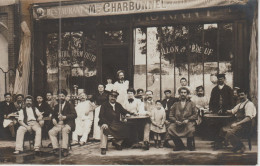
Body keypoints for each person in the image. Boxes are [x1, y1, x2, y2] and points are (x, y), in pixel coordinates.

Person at [213, 88, 256, 153]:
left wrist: (237, 124)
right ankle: (221, 144)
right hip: (239, 122)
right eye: (239, 95)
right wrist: (224, 110)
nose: (240, 97)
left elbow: (248, 118)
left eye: (242, 95)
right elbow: (232, 111)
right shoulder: (240, 104)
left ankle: (240, 146)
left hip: (246, 125)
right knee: (223, 129)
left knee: (230, 132)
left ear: (246, 95)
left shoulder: (249, 104)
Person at [99, 91, 133, 155]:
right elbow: (101, 116)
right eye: (111, 96)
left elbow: (124, 111)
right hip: (106, 123)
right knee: (104, 129)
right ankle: (103, 147)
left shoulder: (118, 105)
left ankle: (118, 143)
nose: (113, 98)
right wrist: (104, 123)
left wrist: (129, 113)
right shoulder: (104, 105)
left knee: (128, 127)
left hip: (116, 123)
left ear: (116, 98)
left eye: (115, 97)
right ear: (108, 97)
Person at [48, 89, 77, 157]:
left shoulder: (70, 105)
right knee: (51, 132)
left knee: (65, 130)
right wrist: (53, 119)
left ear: (65, 97)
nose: (61, 98)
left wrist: (65, 117)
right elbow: (53, 115)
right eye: (59, 96)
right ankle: (56, 148)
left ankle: (65, 149)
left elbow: (75, 115)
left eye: (62, 96)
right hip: (59, 124)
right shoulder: (56, 106)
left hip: (68, 124)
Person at [168, 87, 198, 151]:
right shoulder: (175, 104)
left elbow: (195, 114)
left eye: (185, 92)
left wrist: (188, 119)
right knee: (170, 128)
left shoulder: (191, 103)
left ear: (187, 94)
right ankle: (179, 145)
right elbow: (170, 115)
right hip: (177, 122)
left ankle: (189, 144)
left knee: (191, 129)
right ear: (179, 94)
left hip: (188, 122)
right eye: (181, 92)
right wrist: (175, 121)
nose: (183, 94)